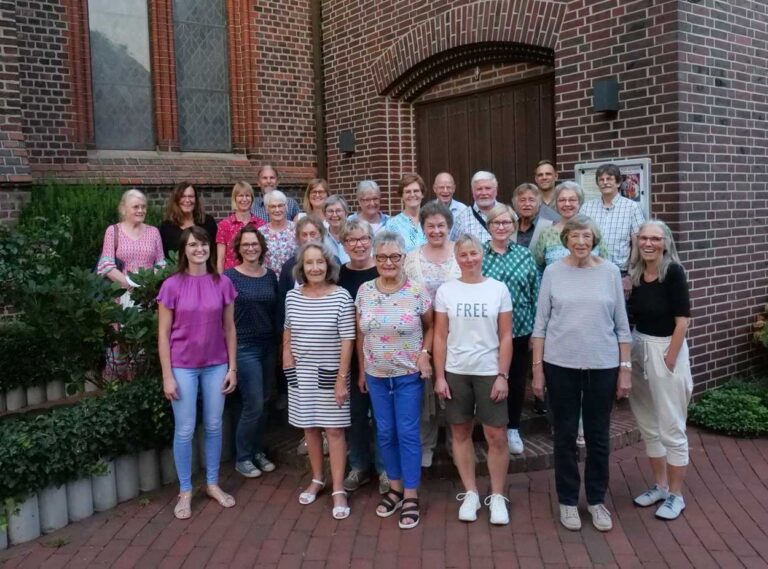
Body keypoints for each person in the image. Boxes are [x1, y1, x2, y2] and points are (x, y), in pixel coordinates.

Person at [531, 215, 632, 533]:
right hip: (560, 365)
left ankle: (598, 500)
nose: (580, 242)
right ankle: (567, 501)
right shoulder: (552, 272)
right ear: (566, 240)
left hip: (603, 365)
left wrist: (625, 369)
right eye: (574, 236)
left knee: (599, 436)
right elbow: (540, 325)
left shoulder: (611, 272)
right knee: (563, 436)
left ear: (594, 238)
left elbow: (621, 326)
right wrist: (537, 371)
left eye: (586, 236)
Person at [157, 226, 238, 520]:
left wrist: (233, 367)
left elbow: (229, 328)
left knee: (215, 425)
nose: (199, 249)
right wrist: (167, 375)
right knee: (186, 429)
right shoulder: (171, 285)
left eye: (203, 244)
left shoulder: (223, 283)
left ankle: (213, 484)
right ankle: (186, 490)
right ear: (184, 251)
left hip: (216, 364)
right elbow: (163, 334)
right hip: (182, 367)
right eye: (192, 245)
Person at [433, 233, 513, 525]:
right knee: (460, 433)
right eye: (463, 255)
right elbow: (440, 336)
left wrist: (503, 375)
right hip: (456, 370)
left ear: (482, 255)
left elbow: (506, 335)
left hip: (489, 370)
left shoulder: (498, 289)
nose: (469, 259)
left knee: (496, 435)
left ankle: (498, 496)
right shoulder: (446, 291)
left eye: (474, 254)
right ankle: (470, 492)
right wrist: (440, 376)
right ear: (456, 258)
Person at [355, 231, 433, 530]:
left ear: (403, 258)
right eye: (382, 257)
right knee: (385, 433)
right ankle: (396, 488)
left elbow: (431, 325)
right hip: (376, 376)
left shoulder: (417, 291)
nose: (388, 262)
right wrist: (362, 370)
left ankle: (411, 494)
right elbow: (362, 333)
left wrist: (424, 353)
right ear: (375, 259)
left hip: (407, 376)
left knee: (408, 433)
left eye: (394, 256)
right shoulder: (364, 291)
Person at [283, 243, 356, 520]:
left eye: (320, 262)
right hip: (300, 371)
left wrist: (341, 378)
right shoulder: (292, 296)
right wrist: (286, 355)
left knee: (334, 430)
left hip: (330, 371)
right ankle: (317, 478)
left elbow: (348, 339)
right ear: (302, 267)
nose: (315, 268)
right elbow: (288, 329)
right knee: (309, 427)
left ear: (329, 266)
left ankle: (338, 487)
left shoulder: (341, 297)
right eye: (310, 263)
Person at [628, 220, 692, 521]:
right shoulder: (638, 274)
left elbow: (683, 321)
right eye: (644, 238)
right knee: (648, 424)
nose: (649, 243)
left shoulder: (673, 273)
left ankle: (676, 495)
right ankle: (660, 486)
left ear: (666, 243)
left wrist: (669, 358)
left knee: (671, 426)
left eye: (655, 238)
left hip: (666, 348)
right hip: (640, 346)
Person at [403, 200, 460, 468]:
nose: (436, 230)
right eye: (430, 226)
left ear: (449, 226)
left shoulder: (461, 252)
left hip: (457, 332)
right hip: (423, 331)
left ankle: (454, 439)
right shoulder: (412, 257)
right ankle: (426, 442)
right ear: (422, 227)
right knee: (425, 387)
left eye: (441, 225)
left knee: (454, 386)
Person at [482, 204, 540, 455]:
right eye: (496, 223)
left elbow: (535, 293)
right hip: (486, 331)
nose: (502, 227)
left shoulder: (524, 255)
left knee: (515, 380)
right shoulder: (479, 254)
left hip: (520, 328)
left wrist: (536, 333)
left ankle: (513, 427)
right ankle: (491, 427)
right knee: (488, 380)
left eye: (507, 223)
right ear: (489, 226)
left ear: (514, 226)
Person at [337, 219, 389, 495]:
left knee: (381, 415)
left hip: (381, 355)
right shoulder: (338, 274)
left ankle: (384, 469)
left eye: (363, 239)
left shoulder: (383, 270)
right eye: (351, 240)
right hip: (349, 355)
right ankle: (359, 466)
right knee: (355, 415)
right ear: (344, 244)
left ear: (372, 240)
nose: (358, 245)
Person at [224, 227, 278, 479]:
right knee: (253, 403)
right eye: (245, 244)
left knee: (266, 401)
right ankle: (243, 457)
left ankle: (257, 451)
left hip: (268, 345)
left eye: (254, 244)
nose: (250, 248)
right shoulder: (229, 277)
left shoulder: (270, 276)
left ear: (261, 246)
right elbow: (225, 319)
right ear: (238, 248)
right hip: (244, 347)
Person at [580, 163, 645, 295]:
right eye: (601, 180)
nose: (605, 183)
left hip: (619, 273)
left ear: (618, 182)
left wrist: (630, 275)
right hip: (590, 270)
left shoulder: (631, 207)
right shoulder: (587, 208)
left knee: (618, 313)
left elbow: (637, 242)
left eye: (609, 179)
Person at [97, 188, 165, 292]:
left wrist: (148, 285)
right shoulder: (113, 231)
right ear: (124, 209)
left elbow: (161, 264)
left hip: (148, 294)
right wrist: (130, 286)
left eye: (143, 207)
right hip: (121, 293)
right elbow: (106, 265)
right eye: (136, 207)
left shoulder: (154, 232)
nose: (141, 210)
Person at [533, 181, 609, 269]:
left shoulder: (593, 230)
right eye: (562, 200)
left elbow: (605, 263)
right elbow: (538, 268)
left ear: (579, 202)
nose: (567, 204)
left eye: (572, 200)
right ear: (556, 204)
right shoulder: (546, 233)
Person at [216, 181, 266, 273]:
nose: (244, 199)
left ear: (252, 198)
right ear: (234, 199)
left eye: (247, 195)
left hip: (255, 274)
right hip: (231, 276)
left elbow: (264, 255)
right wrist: (220, 282)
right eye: (240, 196)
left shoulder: (261, 225)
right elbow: (220, 259)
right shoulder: (224, 225)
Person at [159, 182, 218, 259]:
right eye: (183, 196)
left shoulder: (208, 222)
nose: (187, 200)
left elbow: (216, 251)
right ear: (176, 200)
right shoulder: (166, 227)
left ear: (196, 199)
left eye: (191, 196)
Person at [452, 171, 500, 243]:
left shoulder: (509, 214)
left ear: (496, 190)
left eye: (488, 188)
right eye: (479, 189)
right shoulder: (461, 219)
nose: (484, 193)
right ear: (473, 192)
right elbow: (454, 248)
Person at [258, 190, 297, 275]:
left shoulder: (297, 229)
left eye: (280, 206)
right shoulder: (260, 233)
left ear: (286, 207)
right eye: (273, 206)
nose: (277, 209)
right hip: (269, 281)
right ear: (267, 209)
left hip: (293, 280)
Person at [386, 173, 428, 253]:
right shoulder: (392, 225)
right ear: (401, 196)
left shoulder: (430, 220)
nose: (412, 195)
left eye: (416, 191)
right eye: (408, 192)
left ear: (422, 194)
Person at [512, 183, 555, 251]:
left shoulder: (549, 226)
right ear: (515, 204)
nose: (527, 204)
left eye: (531, 200)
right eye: (522, 200)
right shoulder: (510, 227)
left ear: (539, 203)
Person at [323, 195, 351, 264]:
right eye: (330, 211)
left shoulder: (355, 236)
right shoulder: (320, 239)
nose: (334, 215)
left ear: (346, 213)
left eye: (338, 211)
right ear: (325, 215)